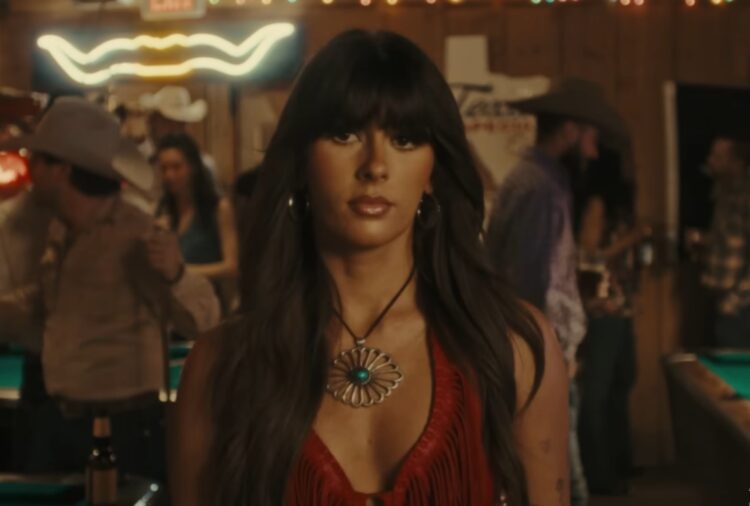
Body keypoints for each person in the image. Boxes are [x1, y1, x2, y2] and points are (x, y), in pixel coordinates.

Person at [171, 30, 569, 506]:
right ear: (302, 160)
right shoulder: (221, 365)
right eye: (345, 134)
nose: (375, 165)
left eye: (405, 138)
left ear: (433, 171)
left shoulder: (512, 346)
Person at [0, 97, 221, 477]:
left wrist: (175, 274)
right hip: (56, 420)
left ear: (62, 170)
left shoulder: (136, 233)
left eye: (38, 159)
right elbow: (48, 305)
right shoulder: (58, 229)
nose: (29, 167)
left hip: (121, 429)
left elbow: (204, 320)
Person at [486, 78, 626, 506]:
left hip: (533, 347)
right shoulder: (542, 187)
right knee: (563, 482)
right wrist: (551, 351)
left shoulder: (536, 179)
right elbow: (533, 282)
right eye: (591, 134)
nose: (595, 149)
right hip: (539, 353)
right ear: (569, 129)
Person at [574, 146, 649, 495]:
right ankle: (598, 474)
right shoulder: (597, 203)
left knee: (622, 381)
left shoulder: (618, 205)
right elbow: (588, 255)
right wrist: (631, 239)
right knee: (597, 391)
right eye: (628, 163)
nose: (633, 170)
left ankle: (620, 461)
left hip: (621, 306)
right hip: (602, 307)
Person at [155, 133, 238, 287]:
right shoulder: (162, 210)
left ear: (193, 167)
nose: (169, 175)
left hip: (206, 296)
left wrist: (182, 273)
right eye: (164, 168)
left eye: (176, 167)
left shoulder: (218, 208)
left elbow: (231, 266)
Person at [699, 135, 750, 348]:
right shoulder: (722, 192)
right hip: (721, 300)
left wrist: (734, 300)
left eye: (718, 156)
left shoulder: (746, 195)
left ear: (736, 162)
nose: (710, 160)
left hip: (740, 306)